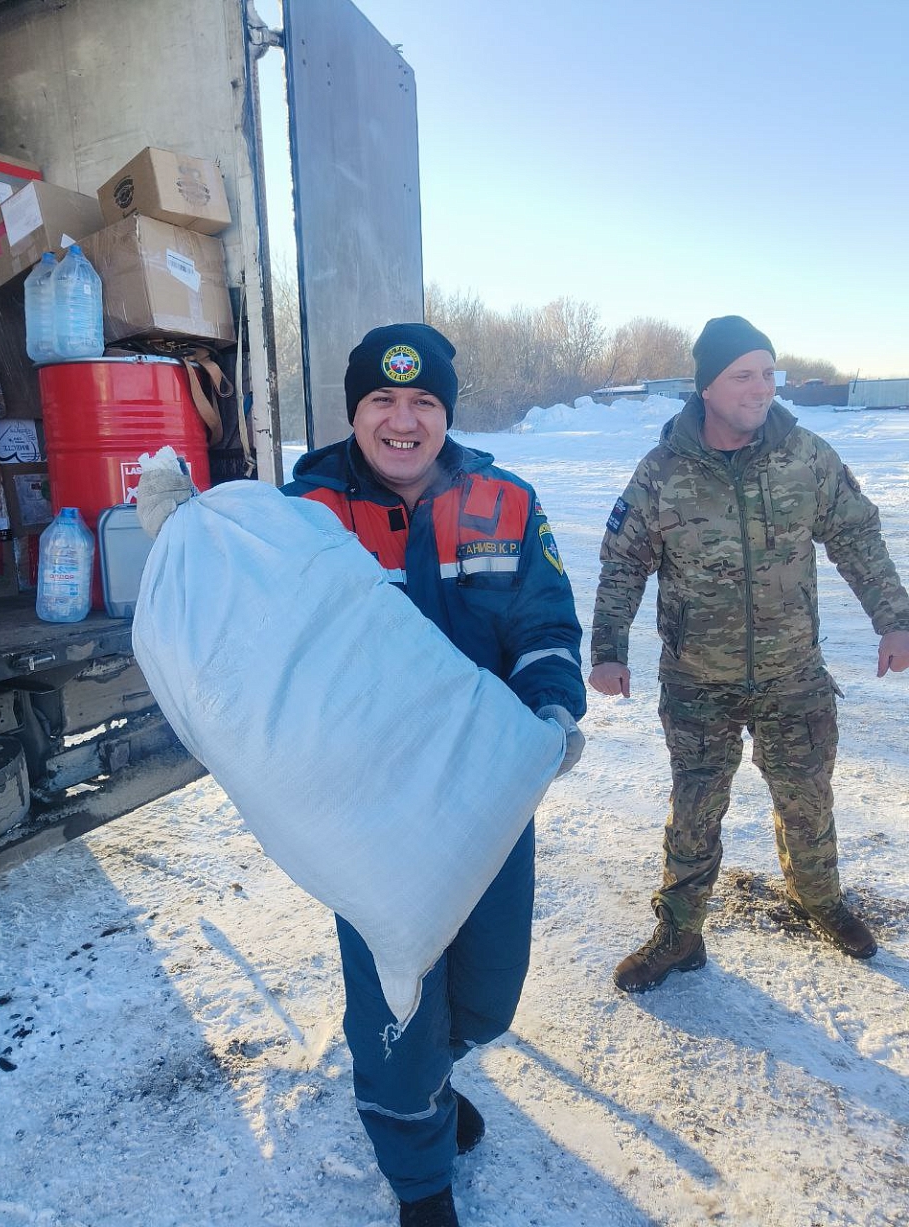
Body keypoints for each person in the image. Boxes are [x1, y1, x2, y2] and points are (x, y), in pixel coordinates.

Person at [274, 323, 583, 1226]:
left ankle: (433, 1084)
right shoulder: (306, 512)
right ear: (354, 412)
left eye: (423, 401)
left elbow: (544, 623)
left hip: (488, 792)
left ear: (446, 412)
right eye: (383, 399)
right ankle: (420, 1174)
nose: (403, 420)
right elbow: (238, 599)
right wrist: (185, 528)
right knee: (397, 1002)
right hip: (366, 805)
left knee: (487, 992)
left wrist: (553, 710)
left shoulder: (506, 501)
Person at [589, 315, 909, 994]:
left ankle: (819, 899)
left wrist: (895, 620)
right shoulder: (662, 471)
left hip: (793, 671)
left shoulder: (805, 457)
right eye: (743, 375)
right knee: (695, 807)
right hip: (696, 679)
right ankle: (680, 931)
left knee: (807, 797)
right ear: (707, 386)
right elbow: (623, 562)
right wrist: (609, 648)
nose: (762, 388)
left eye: (768, 373)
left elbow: (856, 536)